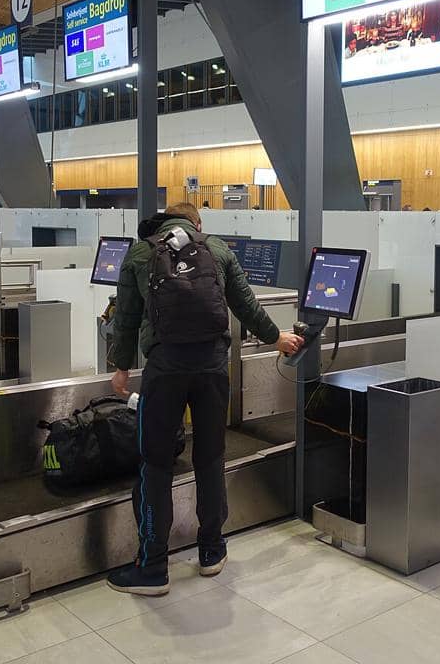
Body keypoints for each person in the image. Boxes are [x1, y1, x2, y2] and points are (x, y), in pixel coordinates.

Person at [106, 203, 302, 595]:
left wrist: (121, 366)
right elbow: (245, 304)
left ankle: (153, 566)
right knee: (210, 459)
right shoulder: (217, 248)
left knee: (156, 464)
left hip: (165, 369)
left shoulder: (141, 251)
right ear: (197, 223)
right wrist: (276, 338)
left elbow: (125, 318)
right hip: (213, 368)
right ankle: (212, 550)